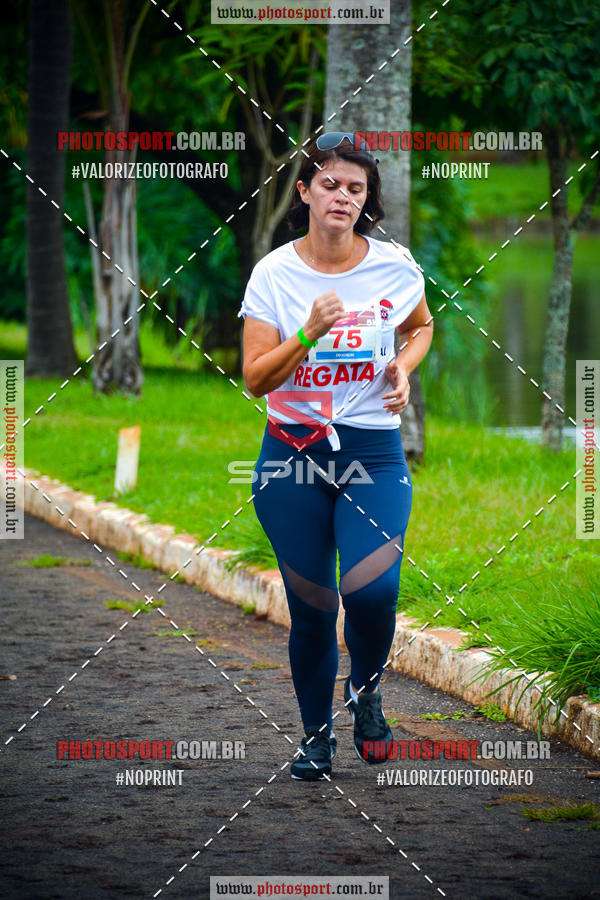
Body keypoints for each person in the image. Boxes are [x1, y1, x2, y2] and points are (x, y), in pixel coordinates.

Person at [237, 133, 433, 781]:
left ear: (366, 198)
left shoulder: (393, 266)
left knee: (373, 592)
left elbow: (421, 325)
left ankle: (366, 691)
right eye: (329, 184)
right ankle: (316, 736)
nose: (342, 196)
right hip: (292, 459)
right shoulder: (274, 273)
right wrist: (307, 333)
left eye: (355, 187)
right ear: (305, 191)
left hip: (373, 453)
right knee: (316, 608)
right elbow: (256, 379)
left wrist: (403, 367)